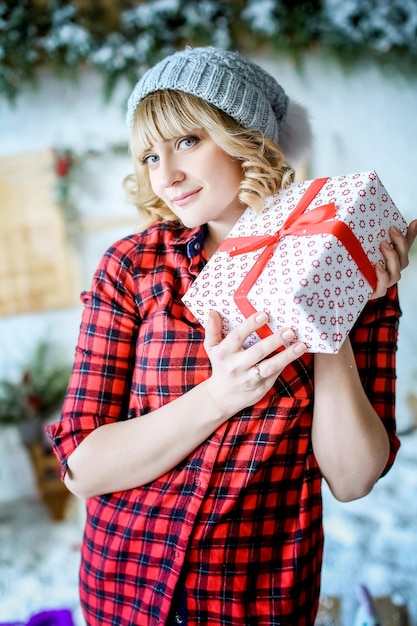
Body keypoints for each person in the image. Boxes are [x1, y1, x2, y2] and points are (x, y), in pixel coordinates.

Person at [47, 46, 417, 626]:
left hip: (253, 600)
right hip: (123, 588)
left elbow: (353, 479)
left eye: (188, 141)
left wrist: (331, 301)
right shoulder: (133, 266)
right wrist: (220, 396)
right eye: (149, 155)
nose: (165, 176)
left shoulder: (351, 262)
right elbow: (82, 470)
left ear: (245, 135)